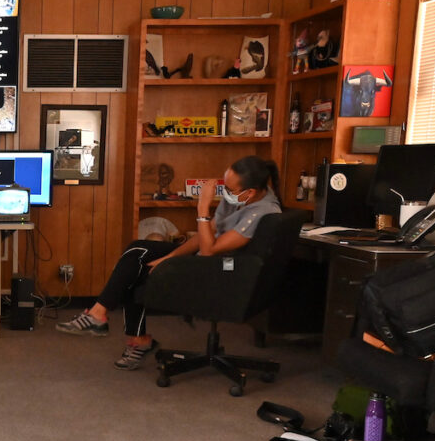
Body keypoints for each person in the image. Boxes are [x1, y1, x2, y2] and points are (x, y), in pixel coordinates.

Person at [56, 156, 282, 370]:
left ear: (250, 192)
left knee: (136, 270)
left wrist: (202, 210)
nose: (225, 193)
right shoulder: (245, 196)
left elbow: (208, 249)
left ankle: (112, 323)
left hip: (222, 271)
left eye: (229, 190)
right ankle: (113, 323)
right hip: (208, 260)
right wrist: (168, 258)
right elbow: (207, 235)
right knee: (138, 253)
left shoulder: (261, 212)